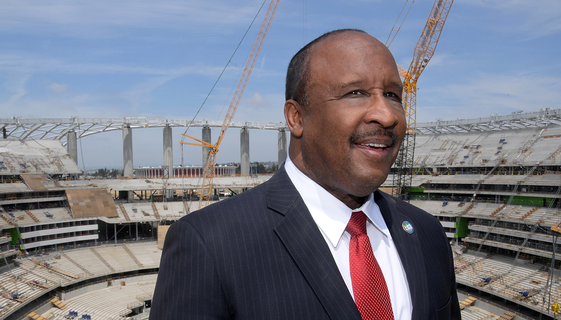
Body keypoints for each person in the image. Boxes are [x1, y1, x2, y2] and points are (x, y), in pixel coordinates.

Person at [150, 29, 460, 320]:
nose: (387, 114)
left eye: (393, 95)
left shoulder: (427, 233)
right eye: (355, 92)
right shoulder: (209, 244)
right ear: (297, 118)